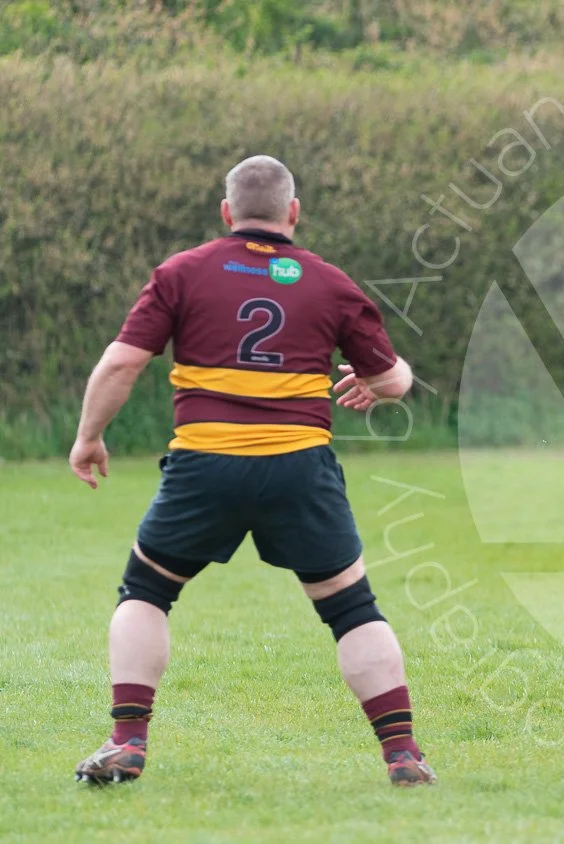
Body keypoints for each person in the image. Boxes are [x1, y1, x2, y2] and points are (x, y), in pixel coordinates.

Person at [69, 156, 435, 787]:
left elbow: (120, 365)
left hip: (204, 465)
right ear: (293, 213)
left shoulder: (182, 272)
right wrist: (378, 383)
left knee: (147, 593)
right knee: (352, 609)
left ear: (226, 213)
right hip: (299, 466)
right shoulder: (328, 282)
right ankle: (403, 755)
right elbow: (396, 379)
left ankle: (127, 741)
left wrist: (88, 437)